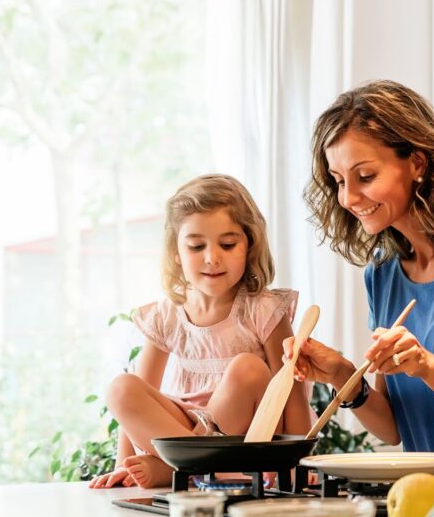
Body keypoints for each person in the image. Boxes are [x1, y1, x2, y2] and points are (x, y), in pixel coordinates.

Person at [286, 80, 434, 459]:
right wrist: (344, 376)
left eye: (365, 177)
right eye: (339, 181)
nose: (347, 198)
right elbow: (394, 428)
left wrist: (426, 365)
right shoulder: (382, 276)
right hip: (421, 499)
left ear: (416, 163)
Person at [89, 174, 311, 489]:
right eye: (196, 246)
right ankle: (202, 470)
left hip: (243, 439)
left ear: (249, 245)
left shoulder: (263, 309)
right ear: (177, 253)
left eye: (228, 244)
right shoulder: (166, 314)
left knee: (247, 368)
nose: (212, 257)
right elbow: (142, 391)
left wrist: (295, 467)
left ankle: (185, 469)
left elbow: (292, 393)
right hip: (184, 430)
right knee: (122, 388)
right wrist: (121, 464)